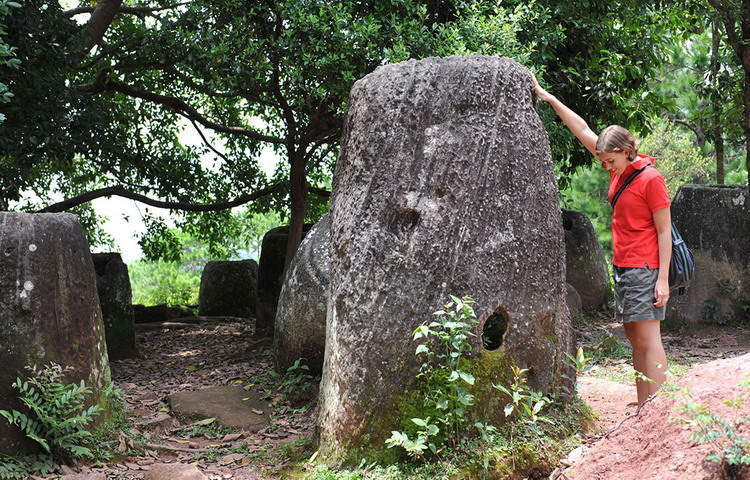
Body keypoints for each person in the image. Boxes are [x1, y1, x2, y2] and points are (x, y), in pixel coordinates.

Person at [531, 74, 672, 405]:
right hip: (623, 264)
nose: (606, 166)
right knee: (634, 336)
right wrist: (550, 99)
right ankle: (643, 403)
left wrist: (662, 279)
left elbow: (665, 230)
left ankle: (659, 408)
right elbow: (582, 130)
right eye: (603, 161)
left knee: (649, 337)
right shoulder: (618, 169)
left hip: (646, 266)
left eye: (610, 160)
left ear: (626, 152)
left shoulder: (650, 179)